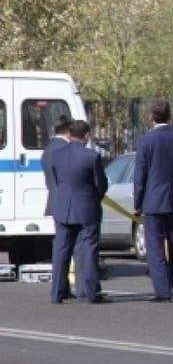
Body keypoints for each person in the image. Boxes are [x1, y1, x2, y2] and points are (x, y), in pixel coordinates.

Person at [133, 99, 173, 303]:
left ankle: (163, 291)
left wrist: (138, 203)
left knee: (155, 247)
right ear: (169, 116)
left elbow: (140, 174)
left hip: (152, 200)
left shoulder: (146, 140)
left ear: (152, 117)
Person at [49, 120, 110, 304]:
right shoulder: (91, 156)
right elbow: (101, 184)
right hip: (86, 208)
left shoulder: (56, 155)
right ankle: (91, 292)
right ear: (86, 136)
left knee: (61, 251)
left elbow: (55, 180)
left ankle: (57, 293)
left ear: (69, 134)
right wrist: (94, 197)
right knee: (89, 250)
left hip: (62, 208)